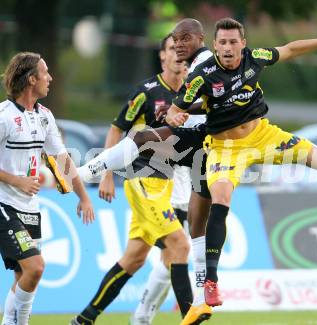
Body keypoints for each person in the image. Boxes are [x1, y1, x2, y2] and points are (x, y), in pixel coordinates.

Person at [165, 18, 317, 307]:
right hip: (225, 147)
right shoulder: (201, 76)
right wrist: (174, 117)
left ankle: (278, 165)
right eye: (223, 43)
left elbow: (291, 49)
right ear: (215, 45)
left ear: (243, 43)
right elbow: (173, 109)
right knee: (221, 198)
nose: (228, 48)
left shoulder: (256, 58)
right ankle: (212, 282)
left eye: (233, 42)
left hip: (263, 136)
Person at [77, 18, 215, 325]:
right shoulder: (147, 91)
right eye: (170, 48)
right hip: (144, 177)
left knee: (136, 258)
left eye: (181, 48)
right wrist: (108, 173)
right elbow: (117, 129)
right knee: (179, 246)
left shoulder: (195, 94)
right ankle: (188, 315)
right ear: (163, 56)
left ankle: (86, 319)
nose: (177, 54)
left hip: (174, 183)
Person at [0, 52, 95, 325]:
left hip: (30, 207)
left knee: (24, 276)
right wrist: (16, 180)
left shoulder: (45, 117)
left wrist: (83, 197)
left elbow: (63, 161)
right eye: (45, 73)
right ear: (32, 79)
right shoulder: (4, 117)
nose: (50, 78)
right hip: (4, 205)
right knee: (36, 267)